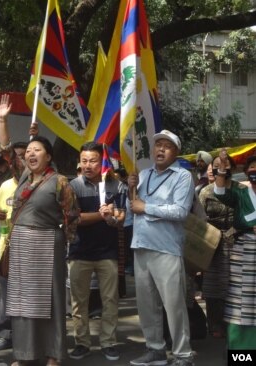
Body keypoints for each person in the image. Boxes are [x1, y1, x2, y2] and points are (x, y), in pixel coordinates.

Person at [0, 94, 80, 366]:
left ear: (49, 157)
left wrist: (66, 244)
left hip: (47, 246)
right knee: (21, 304)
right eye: (28, 151)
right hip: (20, 246)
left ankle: (53, 355)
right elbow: (7, 150)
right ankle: (24, 354)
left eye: (37, 150)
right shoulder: (22, 177)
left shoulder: (59, 182)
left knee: (51, 302)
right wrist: (2, 119)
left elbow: (72, 216)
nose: (30, 154)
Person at [128, 130, 195, 366]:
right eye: (158, 145)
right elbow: (132, 210)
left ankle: (183, 354)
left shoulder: (183, 176)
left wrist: (145, 207)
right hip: (141, 245)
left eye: (167, 146)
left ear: (175, 152)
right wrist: (130, 190)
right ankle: (155, 349)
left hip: (166, 249)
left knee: (173, 305)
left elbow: (180, 211)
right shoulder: (143, 174)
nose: (160, 149)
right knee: (147, 305)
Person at [68, 142, 125, 361]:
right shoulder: (72, 186)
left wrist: (112, 217)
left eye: (93, 160)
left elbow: (120, 219)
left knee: (110, 300)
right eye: (84, 161)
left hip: (107, 252)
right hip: (79, 251)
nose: (88, 165)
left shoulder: (116, 186)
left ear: (102, 161)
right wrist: (100, 215)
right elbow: (74, 218)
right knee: (78, 302)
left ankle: (108, 342)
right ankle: (81, 342)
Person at [213, 150, 256, 350]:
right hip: (244, 250)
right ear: (246, 172)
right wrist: (221, 169)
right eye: (252, 169)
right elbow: (220, 192)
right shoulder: (240, 193)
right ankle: (242, 353)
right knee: (241, 301)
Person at [0, 141, 27, 352]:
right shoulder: (5, 186)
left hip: (30, 248)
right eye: (17, 156)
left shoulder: (38, 184)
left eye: (24, 155)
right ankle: (6, 334)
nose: (20, 160)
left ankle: (28, 337)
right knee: (6, 295)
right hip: (6, 247)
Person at [199, 154, 234, 339]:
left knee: (233, 287)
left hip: (236, 244)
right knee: (212, 288)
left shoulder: (239, 191)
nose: (220, 168)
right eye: (216, 165)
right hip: (211, 245)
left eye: (224, 165)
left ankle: (232, 325)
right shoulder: (206, 192)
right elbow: (198, 219)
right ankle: (214, 325)